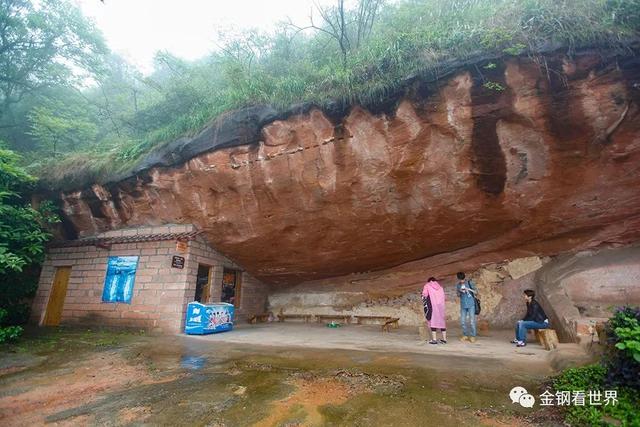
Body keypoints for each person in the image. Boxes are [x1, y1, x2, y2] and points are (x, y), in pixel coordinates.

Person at [422, 277, 447, 344]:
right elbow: (444, 297)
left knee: (433, 321)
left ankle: (434, 340)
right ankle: (444, 339)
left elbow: (424, 294)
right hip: (441, 307)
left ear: (429, 281)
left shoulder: (427, 285)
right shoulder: (440, 287)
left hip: (433, 306)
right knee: (442, 322)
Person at [456, 272, 478, 342]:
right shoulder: (458, 285)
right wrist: (460, 291)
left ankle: (473, 336)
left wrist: (469, 289)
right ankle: (465, 335)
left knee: (472, 321)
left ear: (464, 278)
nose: (461, 281)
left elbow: (476, 292)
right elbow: (458, 295)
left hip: (471, 304)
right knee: (462, 321)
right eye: (460, 280)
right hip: (463, 305)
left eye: (462, 279)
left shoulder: (469, 283)